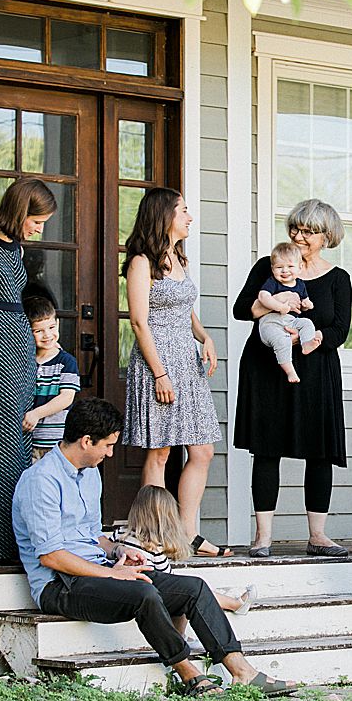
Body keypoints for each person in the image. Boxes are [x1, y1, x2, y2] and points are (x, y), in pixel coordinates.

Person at [12, 398, 296, 697]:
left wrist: (118, 551)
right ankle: (190, 676)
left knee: (194, 588)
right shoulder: (41, 481)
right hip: (59, 586)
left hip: (97, 571)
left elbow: (92, 536)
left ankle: (242, 671)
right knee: (143, 593)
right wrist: (112, 575)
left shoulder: (90, 475)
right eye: (107, 446)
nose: (110, 454)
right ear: (86, 441)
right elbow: (52, 556)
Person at [233, 199, 352, 558]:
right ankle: (263, 537)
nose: (299, 236)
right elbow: (242, 309)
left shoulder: (338, 278)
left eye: (308, 231)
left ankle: (318, 536)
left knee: (320, 452)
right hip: (268, 368)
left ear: (327, 236)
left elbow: (340, 330)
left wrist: (306, 338)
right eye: (295, 229)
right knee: (267, 450)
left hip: (316, 373)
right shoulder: (270, 266)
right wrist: (273, 305)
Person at [121, 188, 229, 559]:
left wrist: (205, 336)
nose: (189, 217)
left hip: (187, 361)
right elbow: (138, 321)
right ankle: (152, 535)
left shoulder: (178, 256)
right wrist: (159, 374)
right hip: (158, 363)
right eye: (183, 210)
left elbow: (184, 307)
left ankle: (187, 533)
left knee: (202, 450)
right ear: (163, 214)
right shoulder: (141, 261)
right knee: (161, 452)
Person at [0, 176, 57, 563]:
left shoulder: (18, 250)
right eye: (36, 221)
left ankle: (14, 541)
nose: (38, 229)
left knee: (19, 443)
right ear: (20, 210)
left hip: (19, 354)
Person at [109, 485, 255, 616]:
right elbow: (170, 580)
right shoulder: (154, 548)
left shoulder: (119, 534)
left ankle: (225, 598)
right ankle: (235, 604)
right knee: (189, 591)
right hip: (148, 594)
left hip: (122, 590)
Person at [22, 296, 80, 462]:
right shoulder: (26, 362)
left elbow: (66, 397)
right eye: (38, 331)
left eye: (51, 327)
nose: (47, 335)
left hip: (56, 441)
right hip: (28, 442)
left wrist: (36, 414)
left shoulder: (65, 362)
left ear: (58, 324)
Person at [256, 241, 322, 383]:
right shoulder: (273, 282)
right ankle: (290, 371)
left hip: (291, 321)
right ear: (273, 268)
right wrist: (279, 306)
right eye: (279, 267)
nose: (285, 271)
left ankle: (307, 344)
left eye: (290, 266)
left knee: (306, 323)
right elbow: (263, 297)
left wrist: (306, 304)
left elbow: (303, 302)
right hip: (271, 323)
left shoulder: (300, 284)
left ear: (300, 267)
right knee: (282, 341)